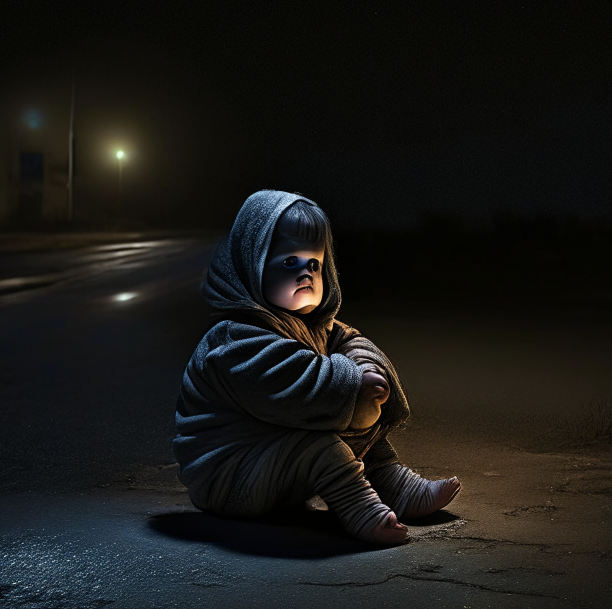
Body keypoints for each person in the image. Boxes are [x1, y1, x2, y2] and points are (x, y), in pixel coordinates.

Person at [173, 190, 460, 545]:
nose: (307, 273)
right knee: (318, 443)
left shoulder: (310, 325)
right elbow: (296, 386)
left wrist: (366, 367)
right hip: (232, 475)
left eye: (315, 264)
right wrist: (354, 388)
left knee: (350, 435)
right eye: (290, 262)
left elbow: (351, 341)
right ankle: (359, 507)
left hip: (270, 461)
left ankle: (396, 485)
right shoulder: (233, 339)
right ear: (251, 264)